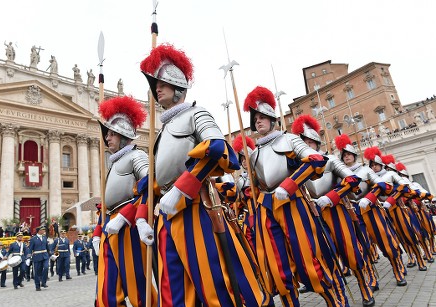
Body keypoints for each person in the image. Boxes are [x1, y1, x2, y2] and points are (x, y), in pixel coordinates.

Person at [140, 44, 269, 307]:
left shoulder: (196, 113)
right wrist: (143, 217)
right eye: (155, 85)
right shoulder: (161, 132)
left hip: (195, 207)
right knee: (173, 293)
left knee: (213, 284)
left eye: (162, 83)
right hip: (165, 216)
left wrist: (180, 188)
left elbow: (215, 147)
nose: (157, 89)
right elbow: (153, 179)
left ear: (178, 87)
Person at [241, 86, 341, 306]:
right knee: (279, 270)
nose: (258, 122)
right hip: (266, 208)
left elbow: (316, 160)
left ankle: (336, 300)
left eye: (262, 117)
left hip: (293, 202)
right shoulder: (254, 153)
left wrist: (289, 185)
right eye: (255, 119)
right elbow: (254, 185)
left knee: (308, 260)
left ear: (272, 119)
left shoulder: (290, 140)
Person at [294, 115, 374, 307]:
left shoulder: (330, 160)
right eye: (302, 142)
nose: (305, 145)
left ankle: (364, 285)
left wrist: (331, 197)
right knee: (325, 257)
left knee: (351, 254)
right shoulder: (296, 165)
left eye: (308, 142)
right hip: (311, 214)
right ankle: (339, 298)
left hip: (335, 210)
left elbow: (352, 180)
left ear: (316, 142)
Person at [92, 95, 157, 307]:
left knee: (138, 288)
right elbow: (107, 203)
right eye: (107, 134)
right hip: (109, 230)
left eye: (112, 134)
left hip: (128, 229)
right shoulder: (114, 163)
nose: (107, 139)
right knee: (106, 290)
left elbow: (151, 187)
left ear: (124, 136)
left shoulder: (136, 157)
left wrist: (126, 217)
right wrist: (96, 232)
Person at [340, 141, 407, 287]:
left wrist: (369, 197)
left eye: (349, 154)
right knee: (361, 247)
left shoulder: (366, 170)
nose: (346, 157)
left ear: (354, 155)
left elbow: (383, 185)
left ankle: (398, 269)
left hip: (371, 208)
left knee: (385, 241)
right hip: (353, 211)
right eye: (344, 155)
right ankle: (371, 277)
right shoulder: (340, 172)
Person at [29, 225, 50, 291]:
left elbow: (47, 247)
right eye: (43, 230)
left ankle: (43, 282)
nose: (44, 231)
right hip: (37, 256)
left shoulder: (44, 237)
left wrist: (50, 254)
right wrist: (28, 257)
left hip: (45, 255)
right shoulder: (33, 239)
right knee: (37, 272)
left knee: (46, 267)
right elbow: (30, 249)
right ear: (39, 231)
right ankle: (37, 286)